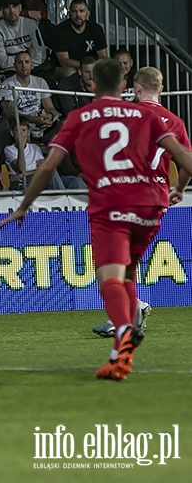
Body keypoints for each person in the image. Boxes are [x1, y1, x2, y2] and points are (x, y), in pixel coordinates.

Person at [0, 59, 192, 381]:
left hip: (110, 206)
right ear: (125, 83)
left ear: (91, 85)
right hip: (150, 207)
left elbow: (47, 167)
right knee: (128, 274)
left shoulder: (80, 116)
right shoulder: (146, 115)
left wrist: (23, 205)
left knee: (109, 280)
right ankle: (121, 357)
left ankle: (124, 331)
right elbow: (184, 158)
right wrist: (180, 187)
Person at [90, 66, 184, 339]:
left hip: (126, 195)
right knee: (129, 259)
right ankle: (129, 311)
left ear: (137, 89)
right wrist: (179, 188)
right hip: (156, 200)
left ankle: (128, 313)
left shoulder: (130, 117)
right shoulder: (175, 121)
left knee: (113, 259)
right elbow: (186, 162)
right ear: (162, 89)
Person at [3, 120, 83, 191]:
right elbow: (21, 168)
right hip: (21, 182)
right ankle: (62, 199)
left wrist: (23, 174)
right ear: (12, 133)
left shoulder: (35, 148)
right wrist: (21, 146)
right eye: (17, 130)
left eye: (23, 130)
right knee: (51, 174)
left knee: (76, 181)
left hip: (35, 177)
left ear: (28, 133)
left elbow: (43, 168)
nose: (21, 134)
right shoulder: (9, 149)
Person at [0, 51, 59, 142]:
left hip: (41, 124)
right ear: (14, 66)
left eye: (27, 62)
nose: (23, 66)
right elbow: (8, 112)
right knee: (22, 128)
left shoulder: (40, 82)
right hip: (21, 125)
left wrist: (49, 116)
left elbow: (50, 107)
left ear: (32, 65)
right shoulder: (7, 84)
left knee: (65, 125)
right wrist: (33, 120)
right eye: (20, 63)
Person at [0, 0, 47, 77]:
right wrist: (28, 55)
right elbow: (2, 61)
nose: (12, 11)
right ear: (2, 10)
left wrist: (26, 66)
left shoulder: (30, 24)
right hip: (10, 72)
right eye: (7, 8)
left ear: (20, 8)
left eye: (15, 6)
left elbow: (41, 53)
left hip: (33, 68)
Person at [51, 0, 108, 79]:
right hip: (67, 68)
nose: (78, 15)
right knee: (71, 73)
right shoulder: (60, 31)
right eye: (74, 11)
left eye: (81, 11)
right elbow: (64, 61)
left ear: (87, 14)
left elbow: (103, 56)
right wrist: (86, 67)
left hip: (92, 67)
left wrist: (93, 67)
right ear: (69, 14)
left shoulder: (96, 29)